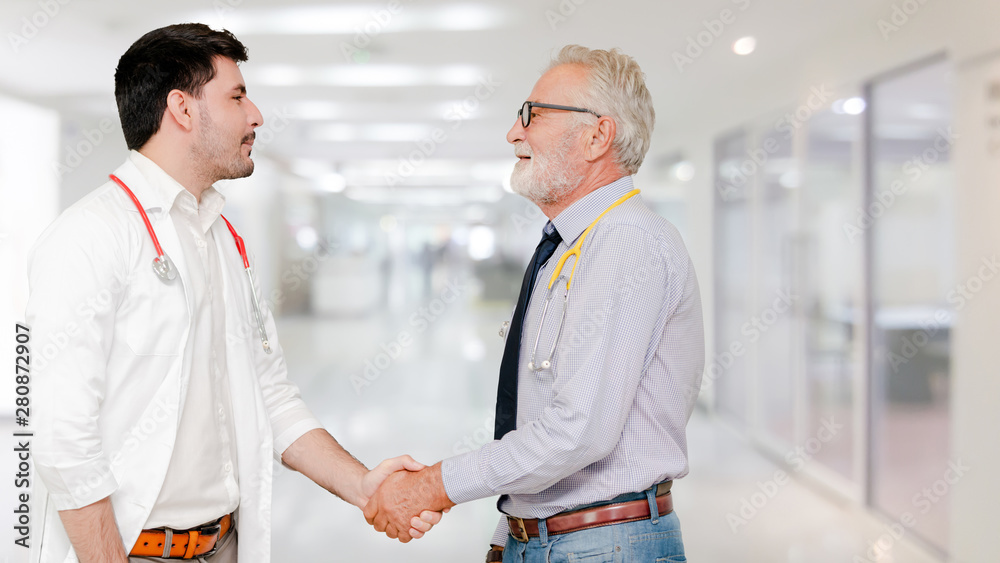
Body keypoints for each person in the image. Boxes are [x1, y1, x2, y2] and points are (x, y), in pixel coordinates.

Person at [26, 23, 438, 563]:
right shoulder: (89, 237)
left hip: (224, 545)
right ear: (182, 108)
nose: (256, 116)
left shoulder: (219, 235)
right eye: (237, 96)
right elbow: (62, 438)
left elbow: (271, 395)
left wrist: (364, 486)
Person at [363, 45, 705, 562]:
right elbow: (542, 413)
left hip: (604, 544)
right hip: (552, 539)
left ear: (597, 136)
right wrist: (511, 532)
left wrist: (433, 485)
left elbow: (579, 431)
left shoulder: (627, 241)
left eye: (533, 114)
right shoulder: (567, 248)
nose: (514, 132)